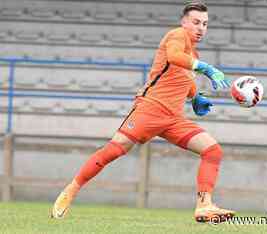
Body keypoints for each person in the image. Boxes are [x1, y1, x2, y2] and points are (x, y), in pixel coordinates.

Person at [51, 1, 235, 223]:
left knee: (212, 150)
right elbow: (174, 57)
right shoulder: (177, 36)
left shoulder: (192, 53)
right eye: (196, 22)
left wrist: (196, 98)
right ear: (184, 22)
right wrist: (206, 68)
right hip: (150, 109)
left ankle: (204, 205)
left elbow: (183, 81)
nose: (200, 28)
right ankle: (69, 192)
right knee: (113, 151)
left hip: (173, 119)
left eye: (205, 24)